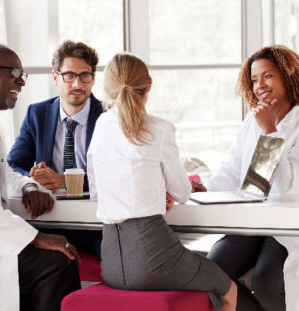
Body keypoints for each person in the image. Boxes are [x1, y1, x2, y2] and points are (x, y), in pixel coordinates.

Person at [87, 53, 237, 311]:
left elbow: (97, 192)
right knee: (228, 289)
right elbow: (181, 192)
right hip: (153, 257)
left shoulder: (100, 125)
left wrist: (152, 193)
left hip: (111, 263)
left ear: (108, 91)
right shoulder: (159, 128)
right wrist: (159, 193)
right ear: (149, 86)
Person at [0, 43, 81, 311]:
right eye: (13, 72)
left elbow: (2, 171)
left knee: (59, 258)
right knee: (58, 262)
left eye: (22, 74)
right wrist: (34, 236)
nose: (20, 81)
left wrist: (28, 186)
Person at [193, 45, 299, 311]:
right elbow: (231, 169)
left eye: (267, 76)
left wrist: (270, 131)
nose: (259, 85)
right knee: (212, 273)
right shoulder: (252, 122)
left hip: (289, 227)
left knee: (268, 280)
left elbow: (286, 184)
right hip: (252, 220)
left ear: (288, 76)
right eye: (254, 79)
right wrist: (206, 190)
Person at [7, 40, 103, 257]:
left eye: (84, 76)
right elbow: (13, 164)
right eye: (69, 75)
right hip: (50, 220)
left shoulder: (109, 118)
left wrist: (66, 181)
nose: (77, 84)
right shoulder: (37, 114)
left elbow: (120, 174)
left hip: (98, 222)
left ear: (93, 79)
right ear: (55, 77)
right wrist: (33, 180)